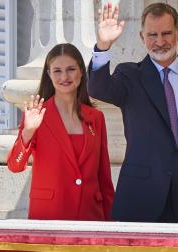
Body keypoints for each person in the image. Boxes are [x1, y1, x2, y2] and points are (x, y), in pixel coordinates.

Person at [88, 2, 178, 223]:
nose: (160, 42)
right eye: (152, 35)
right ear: (142, 37)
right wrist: (103, 46)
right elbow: (97, 88)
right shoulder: (130, 76)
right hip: (140, 198)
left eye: (166, 33)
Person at [7, 43, 114, 221]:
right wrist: (28, 131)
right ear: (49, 74)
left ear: (81, 71)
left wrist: (112, 225)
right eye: (57, 70)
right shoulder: (37, 115)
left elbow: (104, 177)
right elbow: (15, 166)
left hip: (91, 217)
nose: (64, 76)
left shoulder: (96, 118)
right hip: (49, 217)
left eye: (71, 69)